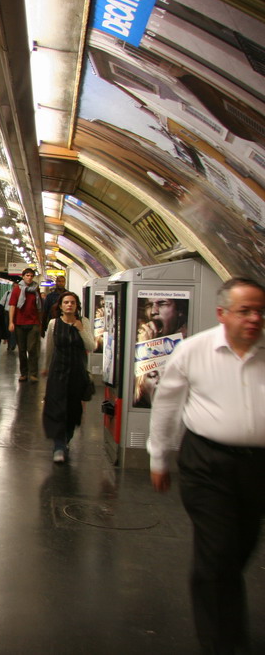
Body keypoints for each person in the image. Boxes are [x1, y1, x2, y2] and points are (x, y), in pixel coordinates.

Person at [147, 277, 265, 654]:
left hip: (257, 468)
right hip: (206, 463)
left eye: (260, 311)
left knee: (239, 547)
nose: (254, 319)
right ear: (222, 313)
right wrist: (159, 457)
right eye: (245, 310)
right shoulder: (194, 351)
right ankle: (224, 644)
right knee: (217, 551)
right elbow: (166, 405)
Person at [41, 291, 95, 463]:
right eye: (66, 302)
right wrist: (46, 366)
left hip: (76, 372)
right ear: (61, 306)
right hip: (58, 370)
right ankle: (58, 445)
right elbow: (50, 346)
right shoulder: (53, 324)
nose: (69, 305)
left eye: (72, 302)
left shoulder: (83, 322)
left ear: (77, 305)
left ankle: (66, 438)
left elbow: (91, 346)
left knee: (72, 409)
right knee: (56, 407)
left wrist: (81, 330)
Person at [8, 268, 43, 382]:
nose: (29, 277)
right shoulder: (17, 289)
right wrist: (11, 322)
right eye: (27, 275)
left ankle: (33, 373)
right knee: (22, 350)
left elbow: (39, 307)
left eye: (31, 276)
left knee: (32, 349)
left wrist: (40, 323)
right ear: (23, 277)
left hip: (33, 323)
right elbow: (12, 306)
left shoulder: (35, 289)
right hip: (19, 323)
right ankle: (24, 373)